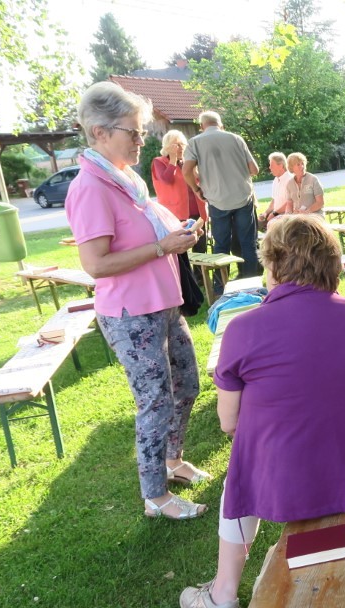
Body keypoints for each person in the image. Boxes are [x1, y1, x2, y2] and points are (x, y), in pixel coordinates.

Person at [179, 214, 345, 608]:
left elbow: (228, 422)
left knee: (242, 467)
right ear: (331, 263)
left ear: (273, 265)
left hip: (292, 483)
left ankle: (222, 595)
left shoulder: (244, 328)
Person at [66, 82, 209, 520]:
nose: (141, 140)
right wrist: (163, 247)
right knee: (155, 401)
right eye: (133, 132)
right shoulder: (91, 187)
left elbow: (147, 228)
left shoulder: (125, 178)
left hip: (162, 302)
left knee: (187, 386)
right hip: (131, 313)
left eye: (142, 131)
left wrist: (178, 233)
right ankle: (155, 496)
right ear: (100, 132)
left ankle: (172, 459)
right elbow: (96, 264)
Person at [183, 111, 260, 290]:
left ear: (201, 126)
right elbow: (254, 169)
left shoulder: (195, 142)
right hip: (243, 197)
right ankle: (252, 285)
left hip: (217, 200)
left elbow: (186, 171)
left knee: (221, 244)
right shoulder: (236, 138)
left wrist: (196, 189)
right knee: (248, 243)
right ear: (221, 124)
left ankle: (220, 287)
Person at [152, 130, 209, 252]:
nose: (180, 147)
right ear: (167, 146)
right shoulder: (159, 162)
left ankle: (199, 266)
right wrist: (172, 159)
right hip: (176, 214)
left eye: (182, 144)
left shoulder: (187, 162)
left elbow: (200, 181)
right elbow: (167, 180)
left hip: (197, 211)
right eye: (176, 145)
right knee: (180, 251)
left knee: (200, 248)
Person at [284, 152, 324, 219]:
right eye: (298, 164)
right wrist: (288, 215)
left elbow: (320, 202)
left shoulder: (313, 179)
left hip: (314, 216)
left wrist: (307, 212)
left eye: (303, 163)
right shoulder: (289, 184)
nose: (302, 166)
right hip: (297, 217)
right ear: (291, 167)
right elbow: (289, 203)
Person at [257, 152, 292, 229]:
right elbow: (274, 201)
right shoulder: (276, 180)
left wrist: (274, 213)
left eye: (271, 165)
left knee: (271, 224)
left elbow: (290, 202)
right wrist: (265, 213)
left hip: (286, 214)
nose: (269, 167)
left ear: (281, 165)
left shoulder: (290, 180)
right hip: (276, 213)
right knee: (255, 222)